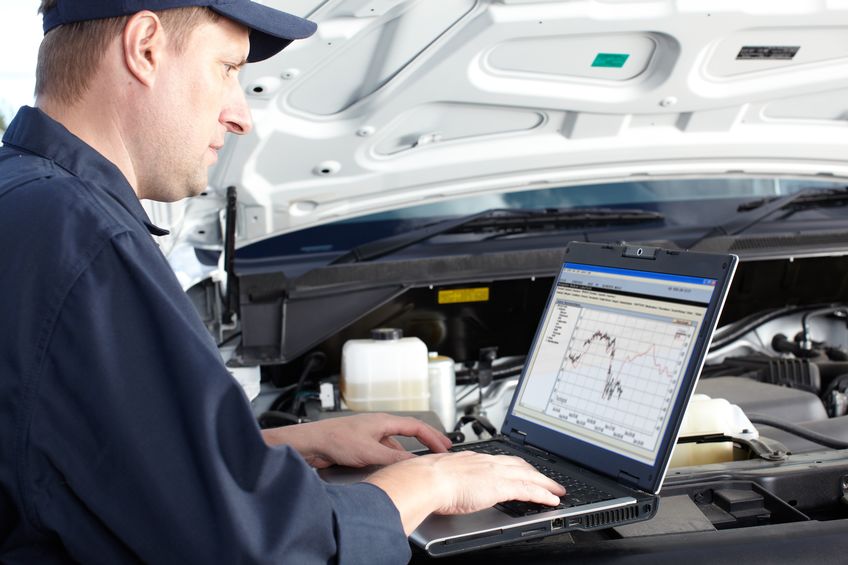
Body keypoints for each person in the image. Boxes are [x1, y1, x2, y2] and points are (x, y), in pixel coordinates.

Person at [0, 1, 565, 562]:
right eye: (227, 68)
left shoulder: (27, 199)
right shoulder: (86, 239)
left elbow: (92, 465)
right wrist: (429, 483)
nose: (241, 116)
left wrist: (282, 444)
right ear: (144, 47)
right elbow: (253, 549)